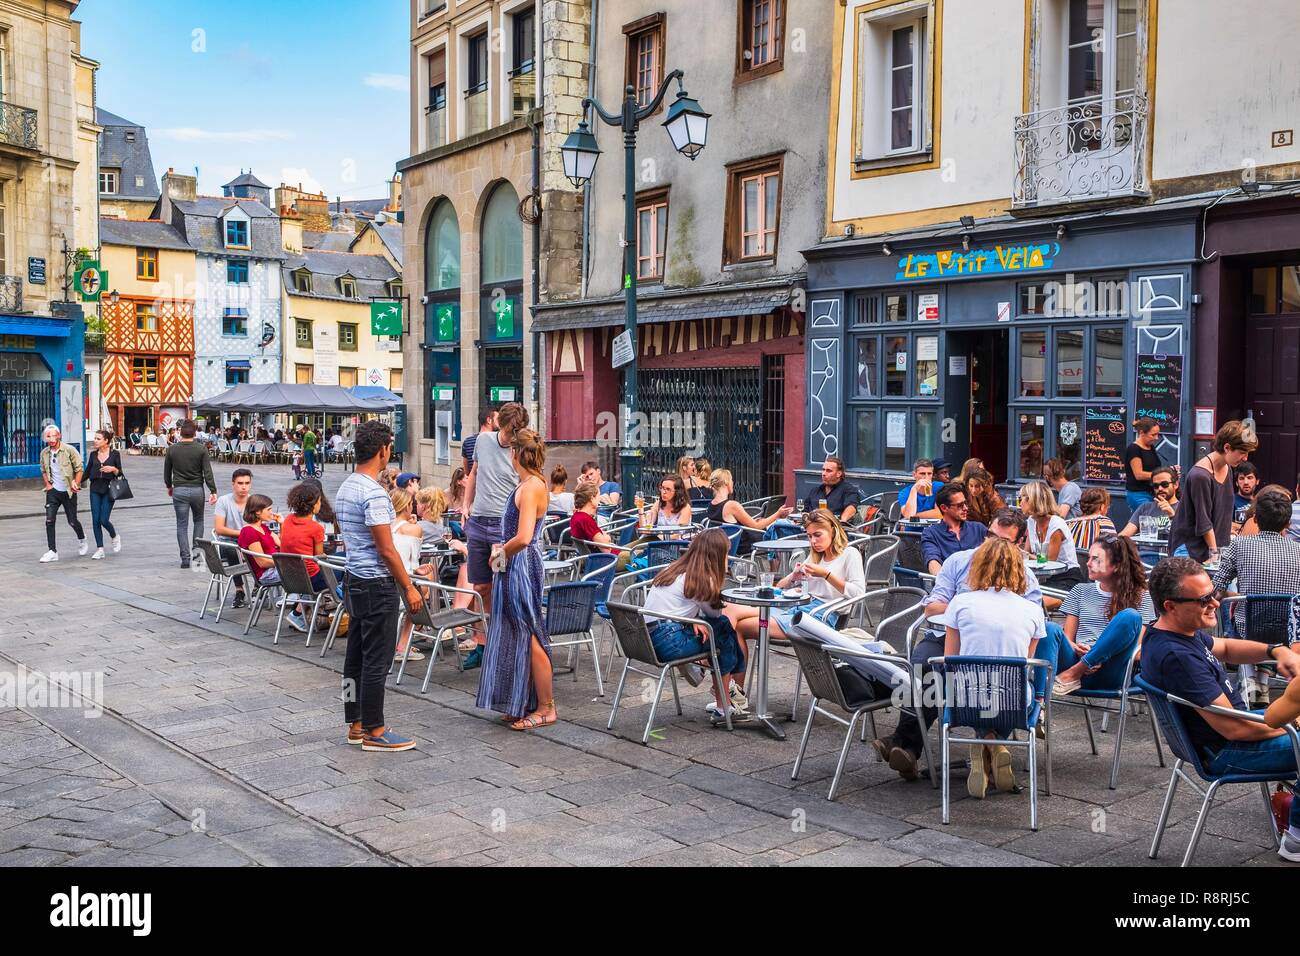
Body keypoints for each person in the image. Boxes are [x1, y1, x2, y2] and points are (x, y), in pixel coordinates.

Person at [1139, 557, 1300, 862]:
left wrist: (1275, 650)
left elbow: (1225, 648)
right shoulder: (1177, 657)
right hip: (1227, 750)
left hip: (1222, 738)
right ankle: (1296, 838)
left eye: (1212, 592)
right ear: (1171, 605)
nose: (1214, 602)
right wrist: (1291, 724)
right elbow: (1234, 729)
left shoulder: (1175, 633)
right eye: (1203, 599)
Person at [880, 538, 1045, 793]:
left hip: (966, 693)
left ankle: (982, 742)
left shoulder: (961, 603)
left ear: (978, 565)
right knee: (1004, 685)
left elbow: (950, 662)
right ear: (1021, 569)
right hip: (1014, 698)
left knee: (942, 681)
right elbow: (1025, 663)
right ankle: (993, 745)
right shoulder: (1032, 611)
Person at [336, 420, 422, 752]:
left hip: (354, 579)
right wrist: (409, 586)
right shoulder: (373, 492)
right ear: (383, 451)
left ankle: (355, 722)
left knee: (355, 657)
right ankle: (375, 730)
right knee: (377, 659)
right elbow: (386, 549)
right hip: (376, 583)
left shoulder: (347, 486)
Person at [477, 429, 557, 731]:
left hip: (521, 565)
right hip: (517, 564)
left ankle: (546, 707)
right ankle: (525, 701)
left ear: (516, 454)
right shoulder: (530, 484)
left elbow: (523, 537)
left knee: (530, 631)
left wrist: (499, 552)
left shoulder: (532, 486)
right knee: (519, 629)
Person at [643, 528, 753, 719]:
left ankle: (718, 688)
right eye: (726, 553)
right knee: (723, 630)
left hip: (645, 639)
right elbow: (715, 613)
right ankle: (724, 704)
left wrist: (693, 620)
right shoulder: (702, 578)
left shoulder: (672, 569)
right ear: (717, 556)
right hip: (669, 643)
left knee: (714, 629)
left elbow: (675, 607)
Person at [1038, 536, 1155, 696]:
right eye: (1089, 558)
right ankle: (1040, 702)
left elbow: (1137, 650)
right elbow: (1068, 638)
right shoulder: (1080, 590)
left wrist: (1096, 656)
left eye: (1095, 559)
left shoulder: (1142, 597)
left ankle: (1077, 671)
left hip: (1111, 670)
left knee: (1130, 616)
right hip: (1073, 664)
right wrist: (1077, 649)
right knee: (1049, 627)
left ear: (1116, 565)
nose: (1087, 563)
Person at [461, 402, 528, 670]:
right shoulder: (484, 440)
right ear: (501, 423)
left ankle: (503, 645)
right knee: (480, 587)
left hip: (504, 525)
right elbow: (474, 473)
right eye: (511, 430)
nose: (512, 437)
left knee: (503, 585)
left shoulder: (521, 447)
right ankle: (481, 643)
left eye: (517, 432)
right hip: (479, 522)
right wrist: (466, 505)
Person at [739, 510, 864, 645]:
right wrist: (794, 575)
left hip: (818, 618)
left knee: (742, 626)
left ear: (833, 531)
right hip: (796, 609)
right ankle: (723, 663)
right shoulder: (816, 556)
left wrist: (826, 575)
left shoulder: (850, 553)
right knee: (733, 613)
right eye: (809, 536)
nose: (813, 541)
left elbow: (859, 594)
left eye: (817, 535)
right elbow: (780, 586)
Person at [925, 509, 1052, 613]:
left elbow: (1034, 619)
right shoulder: (957, 562)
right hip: (953, 633)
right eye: (991, 536)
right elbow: (931, 609)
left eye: (1003, 542)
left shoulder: (1025, 575)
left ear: (1018, 543)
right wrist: (971, 610)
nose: (992, 544)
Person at [1213, 490, 1300, 637]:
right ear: (1288, 523)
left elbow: (1216, 589)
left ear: (1255, 519)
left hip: (1247, 632)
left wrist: (1236, 595)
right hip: (1290, 635)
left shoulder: (1239, 544)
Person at [1170, 420, 1257, 562]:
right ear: (1227, 447)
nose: (1245, 458)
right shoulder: (1201, 475)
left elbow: (1222, 510)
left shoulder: (1227, 468)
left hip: (1214, 547)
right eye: (1242, 452)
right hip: (1192, 549)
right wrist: (1214, 553)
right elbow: (1203, 520)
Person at [163, 419, 218, 569]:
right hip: (197, 490)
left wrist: (169, 486)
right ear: (195, 433)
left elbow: (167, 472)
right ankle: (197, 557)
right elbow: (207, 472)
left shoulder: (172, 449)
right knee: (198, 521)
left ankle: (185, 558)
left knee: (181, 525)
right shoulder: (201, 449)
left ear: (180, 432)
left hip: (179, 490)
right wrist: (213, 490)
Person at [388, 486, 435, 662]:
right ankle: (404, 643)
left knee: (422, 584)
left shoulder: (386, 527)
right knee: (427, 582)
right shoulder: (414, 530)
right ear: (407, 506)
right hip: (404, 590)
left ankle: (402, 641)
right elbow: (414, 563)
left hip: (386, 586)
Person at [280, 482, 332, 634]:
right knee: (345, 567)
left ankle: (297, 613)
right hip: (312, 579)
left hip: (291, 576)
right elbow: (319, 558)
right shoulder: (316, 528)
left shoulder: (288, 519)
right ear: (314, 504)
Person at [707, 468, 793, 551]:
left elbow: (732, 523)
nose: (732, 482)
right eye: (731, 480)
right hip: (740, 544)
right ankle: (781, 564)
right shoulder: (731, 505)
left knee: (771, 528)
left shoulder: (711, 504)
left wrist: (755, 521)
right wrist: (778, 514)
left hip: (724, 544)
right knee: (778, 532)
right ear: (726, 482)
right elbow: (756, 526)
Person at [1018, 480, 1083, 585]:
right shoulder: (1031, 521)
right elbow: (1027, 553)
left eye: (1022, 498)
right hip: (1042, 576)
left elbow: (1049, 563)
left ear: (1032, 500)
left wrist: (1022, 554)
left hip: (1066, 576)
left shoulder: (1056, 525)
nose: (1020, 503)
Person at [38, 424, 86, 563]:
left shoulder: (69, 450)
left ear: (59, 435)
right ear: (45, 438)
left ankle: (82, 538)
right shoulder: (44, 453)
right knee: (49, 521)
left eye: (54, 435)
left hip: (68, 491)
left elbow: (79, 468)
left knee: (72, 521)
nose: (51, 438)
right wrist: (48, 485)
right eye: (48, 436)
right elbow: (43, 470)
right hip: (53, 492)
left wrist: (75, 483)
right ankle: (52, 551)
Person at [922, 482, 988, 574]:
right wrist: (943, 581)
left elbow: (998, 550)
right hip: (949, 584)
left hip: (979, 583)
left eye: (965, 503)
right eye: (960, 505)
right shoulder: (931, 533)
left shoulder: (978, 529)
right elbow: (932, 560)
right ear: (944, 508)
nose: (965, 508)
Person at [214, 468, 255, 608]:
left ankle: (258, 586)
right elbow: (219, 529)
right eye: (240, 483)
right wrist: (242, 533)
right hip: (229, 541)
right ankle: (239, 589)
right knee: (231, 549)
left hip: (249, 542)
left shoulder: (254, 501)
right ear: (233, 484)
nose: (244, 486)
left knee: (261, 549)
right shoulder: (223, 501)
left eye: (247, 483)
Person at [83, 429, 125, 561]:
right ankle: (100, 549)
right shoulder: (93, 455)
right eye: (95, 438)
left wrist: (113, 469)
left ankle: (114, 536)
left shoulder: (115, 454)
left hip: (109, 490)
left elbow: (120, 473)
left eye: (98, 439)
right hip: (95, 489)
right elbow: (87, 471)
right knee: (95, 520)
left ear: (106, 441)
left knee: (103, 519)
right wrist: (76, 482)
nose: (95, 441)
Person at [1120, 465, 1179, 538]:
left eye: (1165, 484)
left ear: (1175, 485)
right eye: (1156, 486)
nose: (1160, 488)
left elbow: (1186, 538)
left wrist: (1172, 515)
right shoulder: (1145, 507)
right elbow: (1125, 535)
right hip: (1145, 548)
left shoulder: (1184, 507)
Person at [802, 455, 861, 523]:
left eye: (828, 471)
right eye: (823, 470)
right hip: (811, 527)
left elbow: (851, 508)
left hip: (834, 528)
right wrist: (805, 517)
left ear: (839, 473)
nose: (824, 473)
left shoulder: (848, 490)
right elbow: (804, 510)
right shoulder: (815, 491)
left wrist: (842, 521)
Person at [1124, 418, 1163, 510]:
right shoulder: (1134, 449)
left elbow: (1154, 468)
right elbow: (1139, 475)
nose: (1156, 438)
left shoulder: (1151, 447)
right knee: (1147, 521)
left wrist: (1169, 470)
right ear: (1141, 433)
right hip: (1138, 494)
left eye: (1158, 434)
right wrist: (1162, 475)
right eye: (1153, 435)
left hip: (1153, 492)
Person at [462, 406, 497, 475]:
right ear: (489, 420)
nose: (500, 422)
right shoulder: (496, 441)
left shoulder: (467, 442)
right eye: (497, 419)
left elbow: (466, 471)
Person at [446, 466, 467, 538]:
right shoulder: (447, 493)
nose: (470, 480)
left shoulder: (471, 493)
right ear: (458, 481)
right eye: (467, 478)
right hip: (452, 525)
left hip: (467, 524)